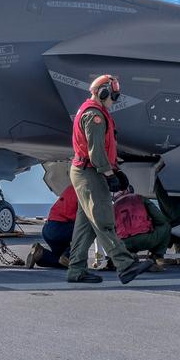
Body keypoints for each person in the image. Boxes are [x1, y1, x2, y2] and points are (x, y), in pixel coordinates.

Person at [65, 75, 154, 284]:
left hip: (84, 171)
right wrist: (109, 174)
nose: (114, 100)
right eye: (113, 96)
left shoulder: (92, 111)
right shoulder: (95, 116)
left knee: (85, 225)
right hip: (90, 173)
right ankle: (125, 265)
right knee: (103, 220)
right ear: (103, 93)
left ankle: (76, 269)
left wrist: (115, 171)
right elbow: (95, 152)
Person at [114, 189, 171, 271]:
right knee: (166, 227)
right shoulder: (140, 198)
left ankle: (128, 255)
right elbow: (161, 220)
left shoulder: (113, 205)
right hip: (146, 239)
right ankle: (156, 258)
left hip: (123, 243)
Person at [25, 185, 77, 269]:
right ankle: (68, 255)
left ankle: (41, 254)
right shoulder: (86, 189)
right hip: (60, 228)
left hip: (48, 228)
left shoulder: (72, 187)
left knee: (62, 262)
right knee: (87, 230)